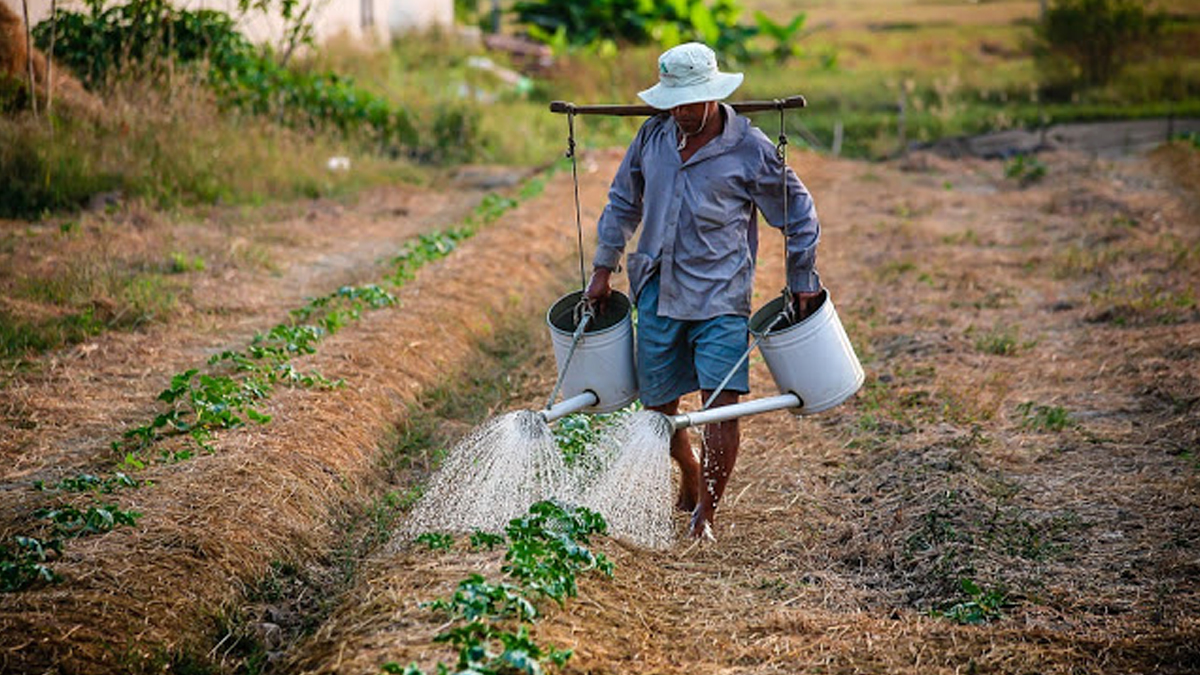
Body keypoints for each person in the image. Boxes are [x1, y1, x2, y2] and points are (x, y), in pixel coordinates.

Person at [584, 42, 823, 541]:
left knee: (722, 405)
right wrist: (603, 268)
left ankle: (705, 516)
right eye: (674, 102)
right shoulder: (652, 137)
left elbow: (799, 214)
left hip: (721, 296)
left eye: (691, 103)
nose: (682, 112)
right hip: (657, 289)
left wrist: (801, 278)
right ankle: (689, 471)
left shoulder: (750, 149)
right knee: (659, 411)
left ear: (714, 96)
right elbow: (622, 203)